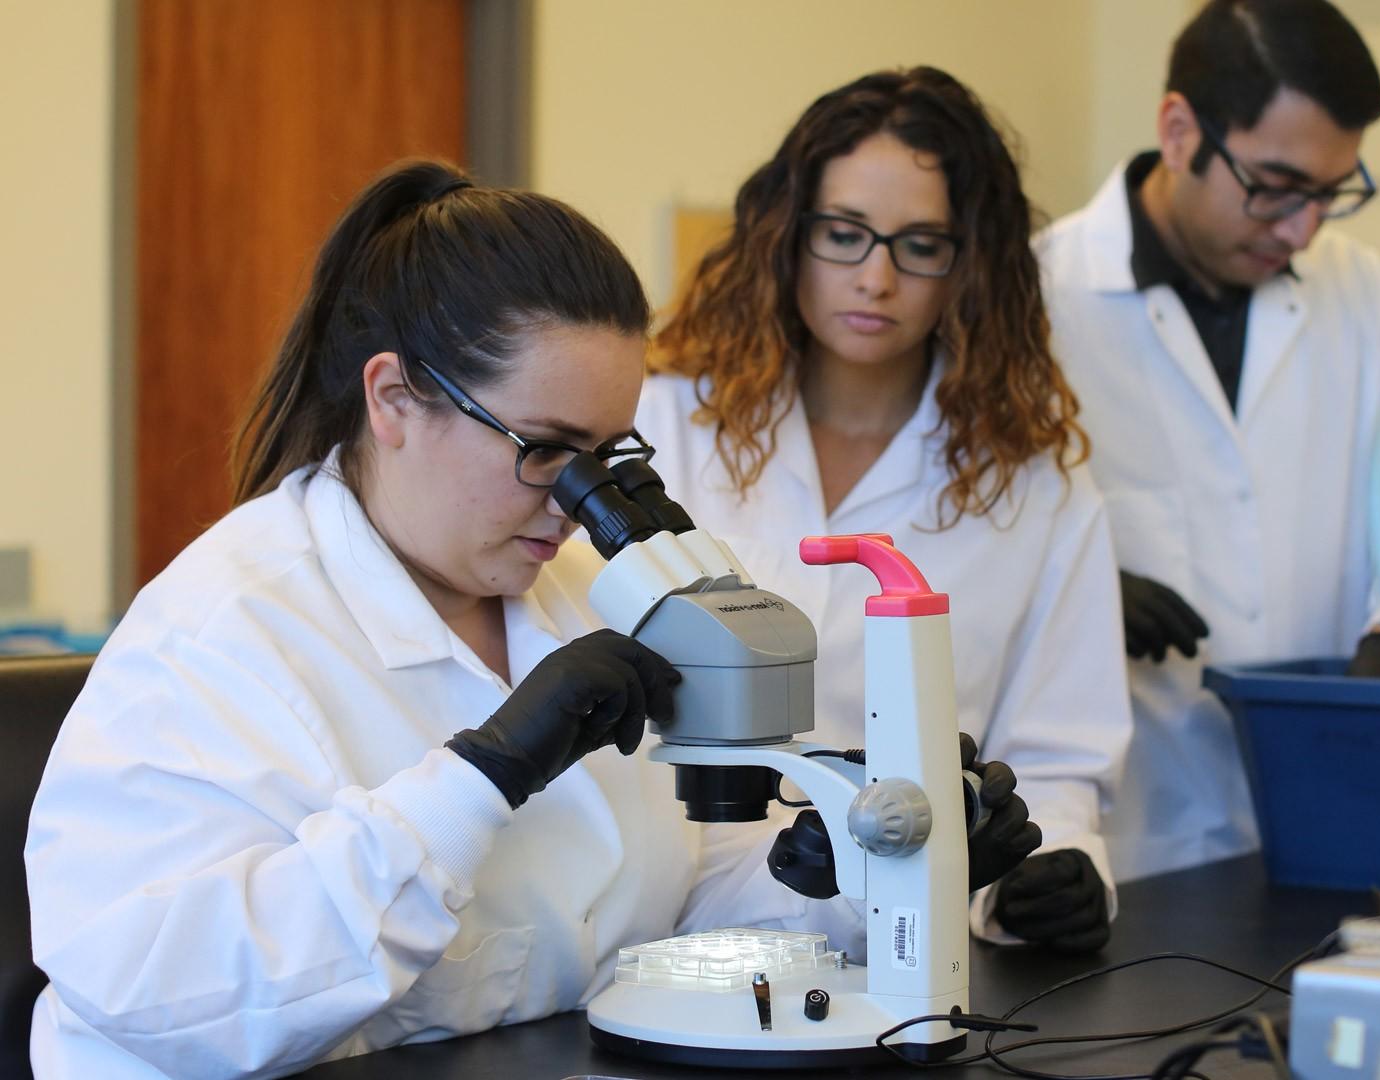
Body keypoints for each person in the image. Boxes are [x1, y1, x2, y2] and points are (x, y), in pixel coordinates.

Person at [25, 160, 1038, 1078]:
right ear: (393, 399)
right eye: (545, 449)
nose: (575, 503)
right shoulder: (221, 635)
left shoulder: (567, 599)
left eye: (606, 456)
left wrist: (874, 870)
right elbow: (158, 999)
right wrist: (482, 776)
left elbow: (653, 911)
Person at [638, 67, 1129, 952]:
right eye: (844, 233)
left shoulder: (1036, 490)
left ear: (969, 265)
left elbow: (1058, 762)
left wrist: (1041, 877)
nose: (875, 277)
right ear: (787, 235)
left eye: (920, 245)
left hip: (895, 944)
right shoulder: (663, 422)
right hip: (649, 921)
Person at [1038, 0, 1380, 882]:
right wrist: (1070, 586)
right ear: (1179, 130)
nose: (1304, 229)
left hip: (1328, 829)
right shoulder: (1042, 298)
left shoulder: (1362, 295)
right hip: (1127, 843)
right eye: (1274, 186)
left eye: (1330, 193)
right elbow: (965, 538)